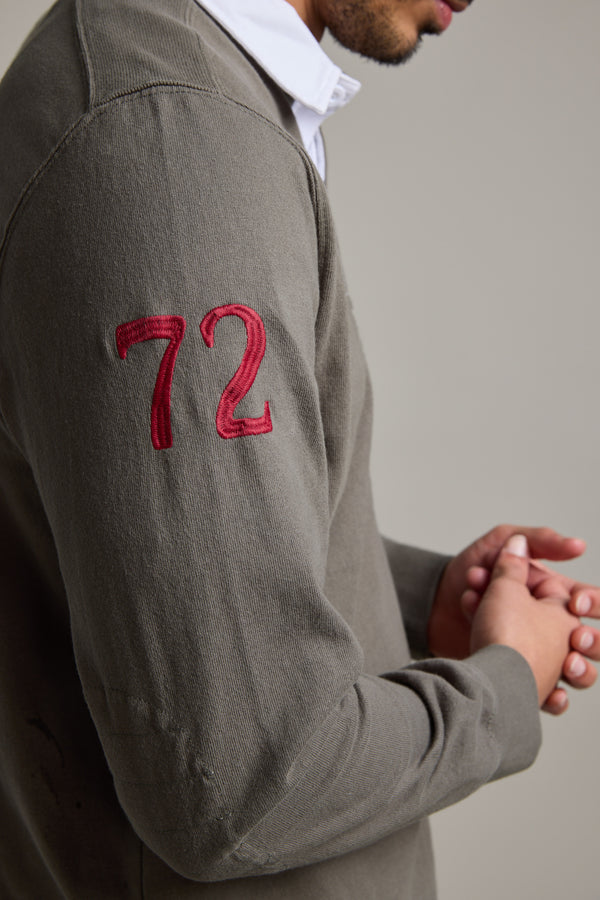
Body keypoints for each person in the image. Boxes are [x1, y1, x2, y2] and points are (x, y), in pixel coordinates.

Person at [0, 0, 598, 897]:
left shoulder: (176, 96)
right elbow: (242, 786)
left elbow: (138, 524)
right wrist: (503, 688)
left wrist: (410, 599)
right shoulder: (167, 146)